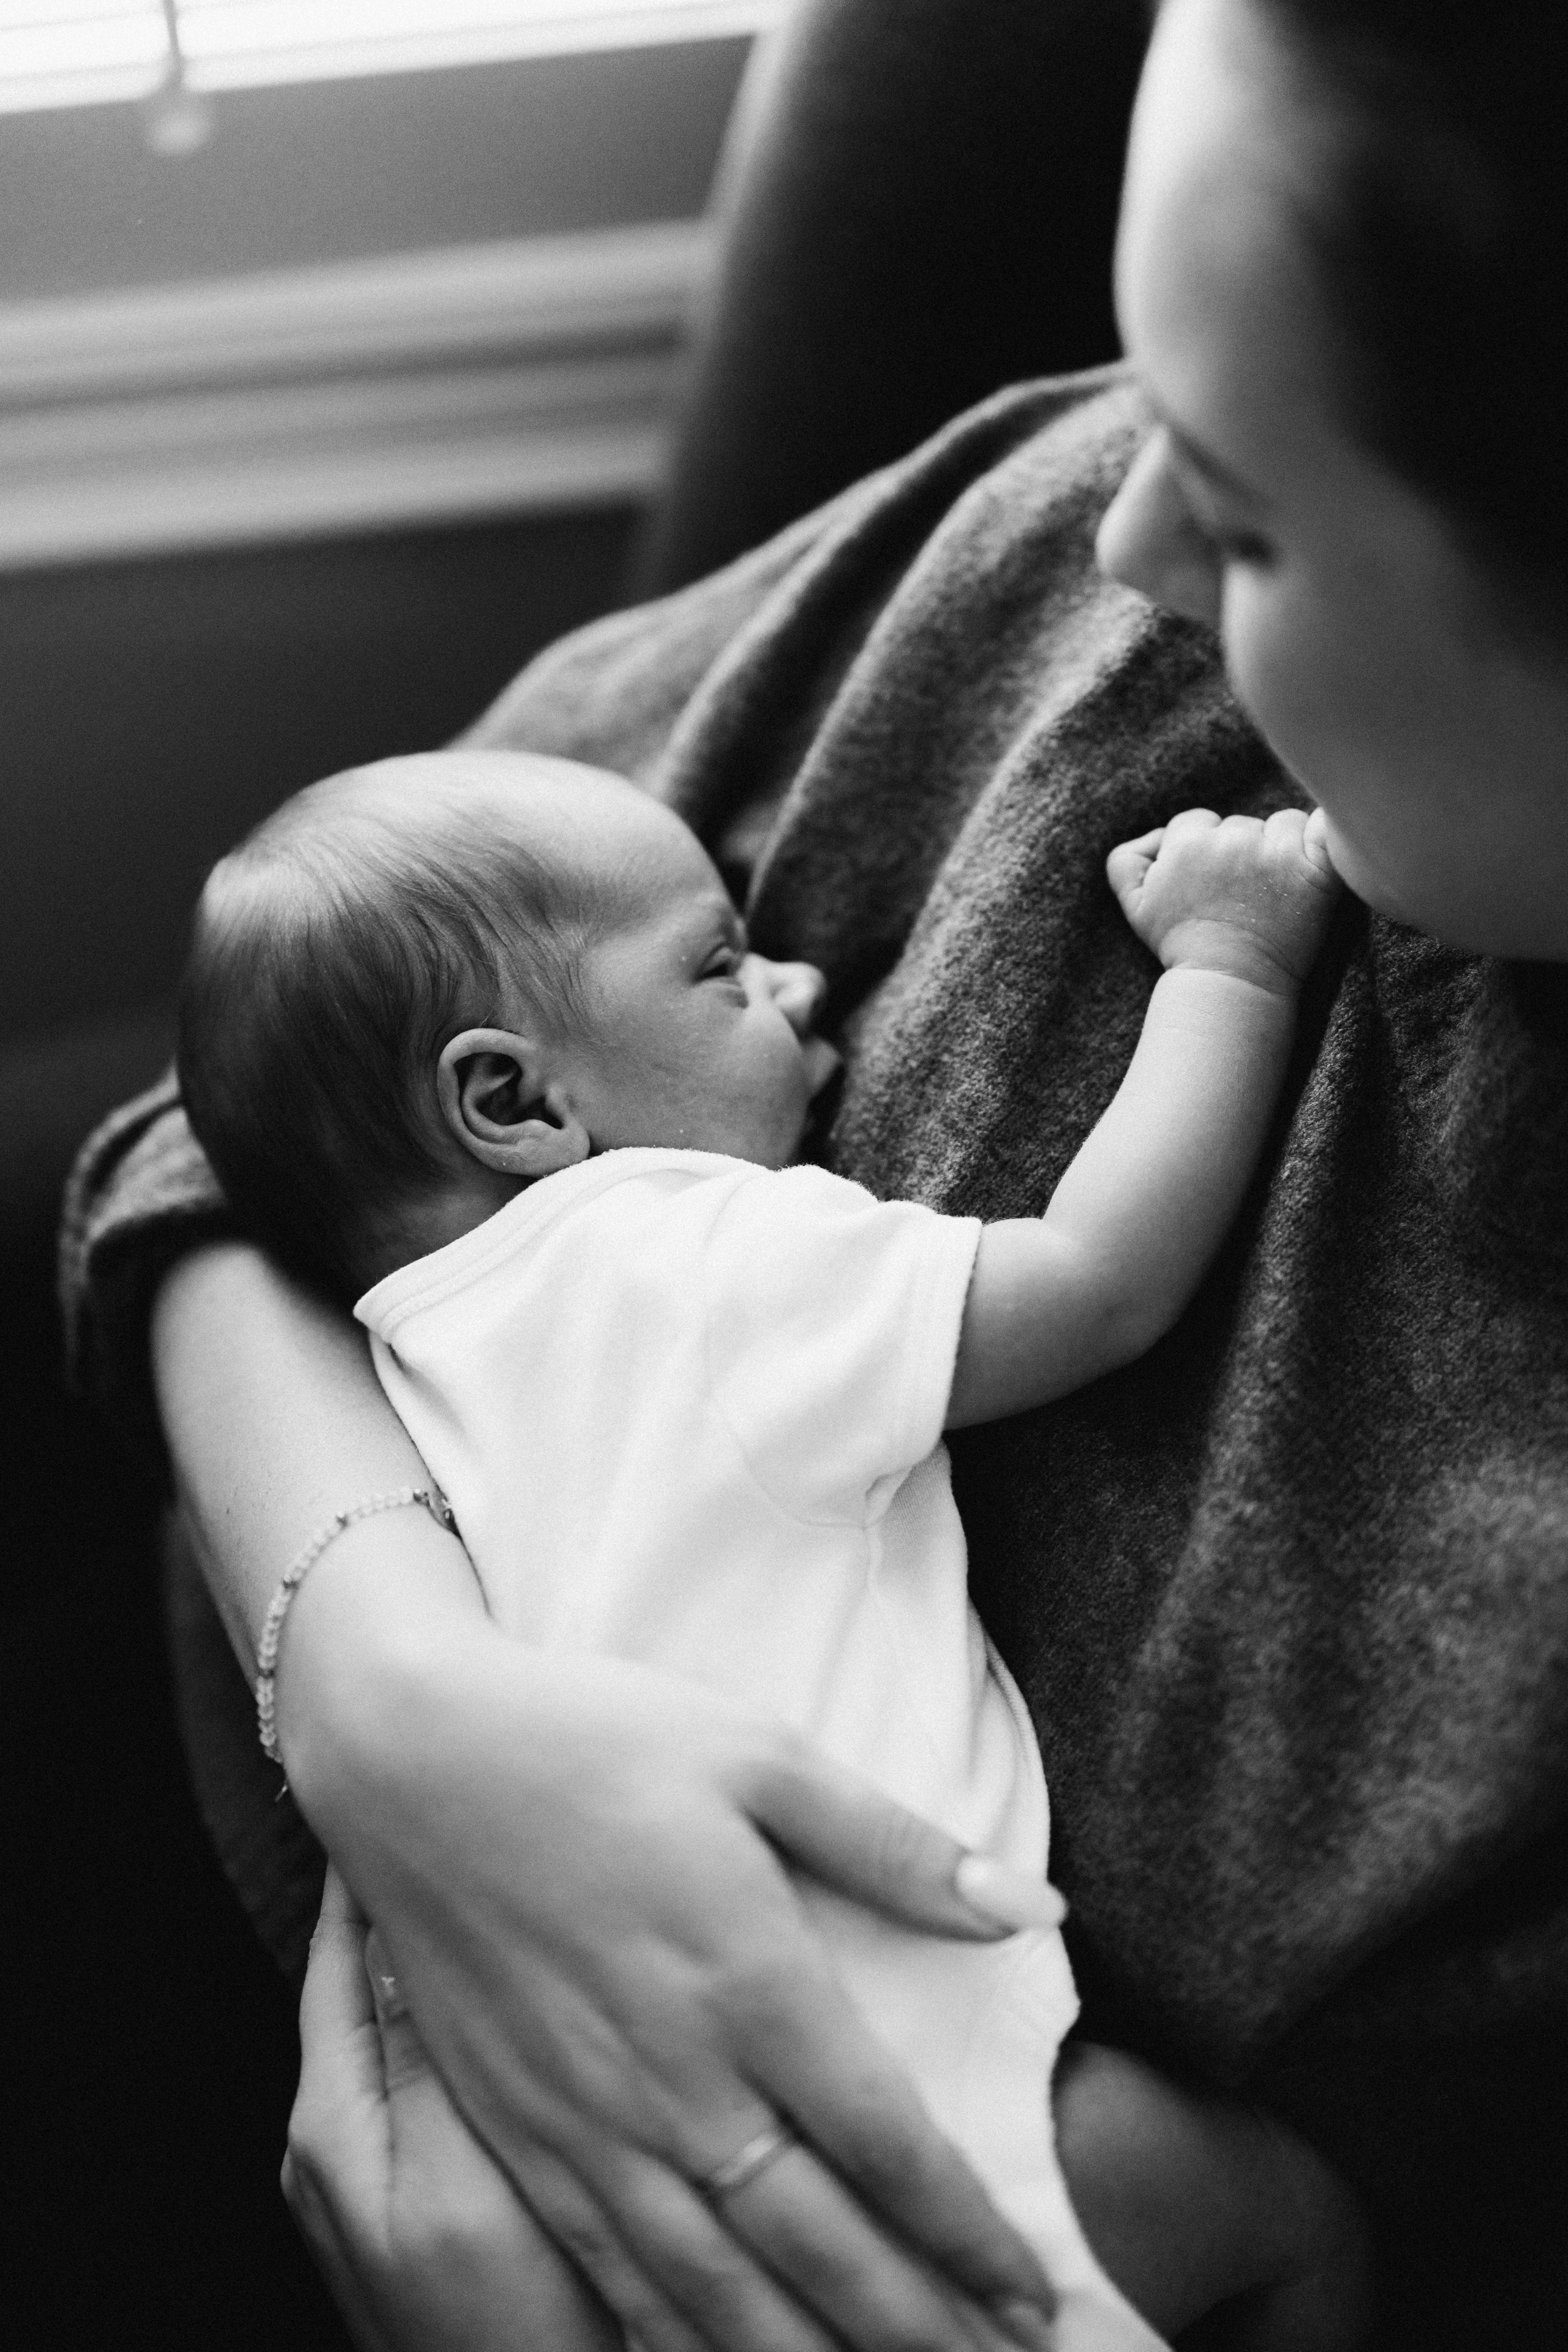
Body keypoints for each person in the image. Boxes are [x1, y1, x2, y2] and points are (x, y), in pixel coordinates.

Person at [60, 0, 1568, 2345]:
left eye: (1252, 511)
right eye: (1136, 380)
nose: (1124, 536)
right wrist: (373, 1684)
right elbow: (217, 1126)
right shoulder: (1052, 582)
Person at [175, 743, 1359, 2349]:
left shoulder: (394, 1370)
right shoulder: (682, 1253)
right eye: (720, 963)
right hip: (931, 2121)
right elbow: (1096, 1284)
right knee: (1292, 2213)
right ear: (516, 1101)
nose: (802, 981)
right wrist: (1233, 964)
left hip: (603, 2194)